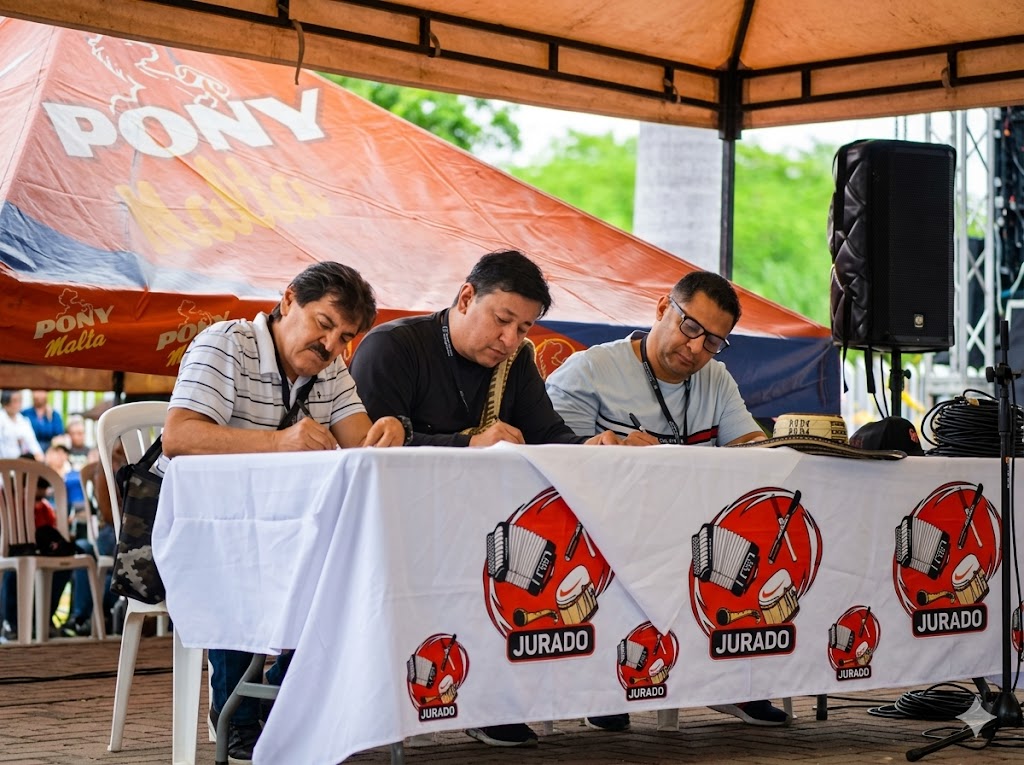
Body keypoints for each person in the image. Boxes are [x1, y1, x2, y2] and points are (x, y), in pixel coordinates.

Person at [349, 249, 620, 748]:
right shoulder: (393, 348)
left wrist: (592, 447)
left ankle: (492, 698)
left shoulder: (516, 362)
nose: (510, 339)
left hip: (479, 535)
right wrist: (468, 444)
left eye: (524, 328)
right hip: (393, 532)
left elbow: (547, 434)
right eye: (502, 320)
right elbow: (371, 447)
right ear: (466, 297)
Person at [161, 261, 408, 762]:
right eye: (324, 324)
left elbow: (361, 446)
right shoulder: (225, 344)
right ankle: (236, 714)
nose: (331, 346)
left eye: (344, 338)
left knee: (353, 559)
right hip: (203, 527)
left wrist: (392, 429)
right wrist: (277, 442)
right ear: (289, 298)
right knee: (241, 557)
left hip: (285, 530)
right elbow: (178, 436)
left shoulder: (330, 370)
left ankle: (285, 694)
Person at [545, 270, 787, 729]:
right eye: (690, 327)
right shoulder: (590, 370)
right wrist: (616, 454)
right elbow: (552, 464)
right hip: (606, 536)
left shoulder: (716, 379)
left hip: (692, 539)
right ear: (662, 309)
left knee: (758, 538)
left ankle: (733, 681)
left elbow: (752, 455)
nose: (695, 348)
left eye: (713, 342)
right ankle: (601, 685)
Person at [0, 390, 43, 460]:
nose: (18, 404)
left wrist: (39, 456)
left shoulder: (23, 420)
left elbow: (32, 442)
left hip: (20, 462)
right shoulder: (1, 418)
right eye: (15, 401)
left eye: (20, 400)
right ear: (6, 402)